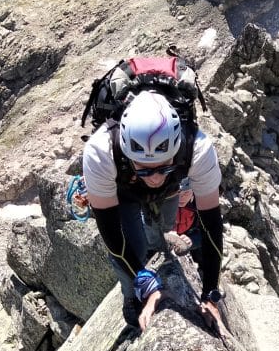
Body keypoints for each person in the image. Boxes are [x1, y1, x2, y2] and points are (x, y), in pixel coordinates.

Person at [82, 90, 224, 332]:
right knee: (132, 247)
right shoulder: (101, 153)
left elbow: (211, 225)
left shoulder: (198, 149)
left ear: (176, 150)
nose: (155, 178)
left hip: (170, 190)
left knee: (162, 227)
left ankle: (154, 247)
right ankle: (133, 298)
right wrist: (142, 279)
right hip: (124, 192)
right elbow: (112, 235)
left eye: (162, 167)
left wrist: (210, 292)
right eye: (145, 169)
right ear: (127, 155)